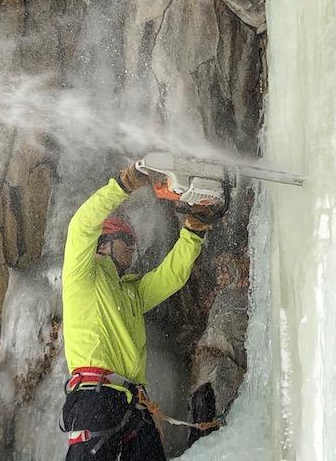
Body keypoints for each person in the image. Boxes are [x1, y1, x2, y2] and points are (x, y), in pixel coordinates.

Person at [60, 161, 224, 460]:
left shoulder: (130, 292)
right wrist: (122, 186)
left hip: (132, 403)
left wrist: (193, 232)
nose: (132, 248)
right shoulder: (83, 275)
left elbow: (170, 277)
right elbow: (82, 225)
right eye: (126, 241)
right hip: (95, 398)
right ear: (103, 244)